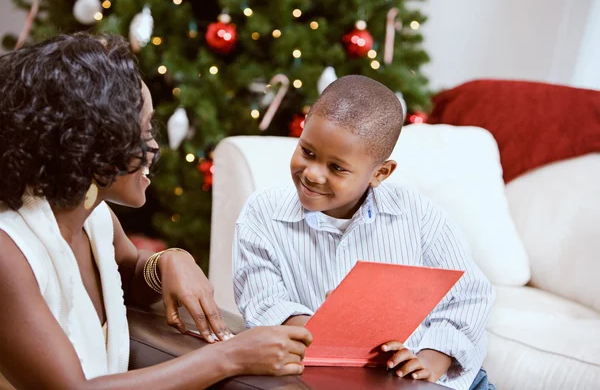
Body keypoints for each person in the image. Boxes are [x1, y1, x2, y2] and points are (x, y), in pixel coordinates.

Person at [0, 33, 312, 389]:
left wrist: (169, 262)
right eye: (144, 130)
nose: (155, 146)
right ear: (91, 140)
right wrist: (230, 356)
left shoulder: (94, 218)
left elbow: (128, 278)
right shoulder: (9, 252)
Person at [233, 75, 496, 390]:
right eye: (307, 151)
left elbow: (470, 296)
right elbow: (263, 301)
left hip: (434, 382)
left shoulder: (419, 216)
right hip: (331, 379)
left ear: (380, 173)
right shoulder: (262, 213)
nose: (313, 174)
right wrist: (331, 334)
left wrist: (429, 361)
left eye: (337, 168)